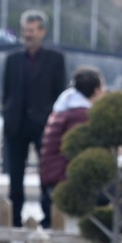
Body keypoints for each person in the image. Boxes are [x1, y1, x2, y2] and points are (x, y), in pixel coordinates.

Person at [1, 9, 65, 226]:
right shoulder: (12, 59)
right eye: (25, 30)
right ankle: (14, 218)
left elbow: (60, 94)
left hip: (44, 126)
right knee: (15, 176)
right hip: (16, 126)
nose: (27, 35)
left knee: (47, 173)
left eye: (31, 30)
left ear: (42, 31)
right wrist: (7, 115)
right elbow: (6, 91)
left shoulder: (55, 59)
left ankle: (48, 217)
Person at [40, 66, 104, 221]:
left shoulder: (64, 108)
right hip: (63, 181)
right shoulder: (81, 114)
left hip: (52, 178)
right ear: (96, 90)